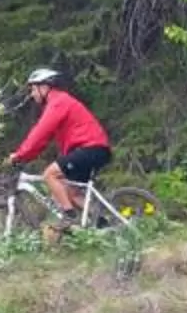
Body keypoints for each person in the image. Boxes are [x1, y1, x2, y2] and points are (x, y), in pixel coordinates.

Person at [9, 66, 113, 225]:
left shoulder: (58, 103)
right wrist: (26, 156)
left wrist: (19, 155)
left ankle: (69, 217)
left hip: (90, 148)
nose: (32, 94)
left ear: (44, 87)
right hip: (94, 149)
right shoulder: (58, 102)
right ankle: (105, 225)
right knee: (71, 194)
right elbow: (42, 140)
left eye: (33, 89)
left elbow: (40, 132)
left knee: (50, 174)